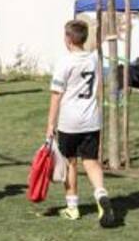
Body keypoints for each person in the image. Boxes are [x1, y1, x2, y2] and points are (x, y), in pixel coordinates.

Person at [46, 20, 114, 228]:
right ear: (84, 39)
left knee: (70, 162)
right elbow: (95, 48)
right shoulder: (94, 59)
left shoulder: (64, 63)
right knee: (91, 162)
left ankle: (72, 208)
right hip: (92, 120)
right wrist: (105, 38)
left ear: (67, 39)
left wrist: (50, 125)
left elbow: (56, 96)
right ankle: (101, 193)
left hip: (70, 122)